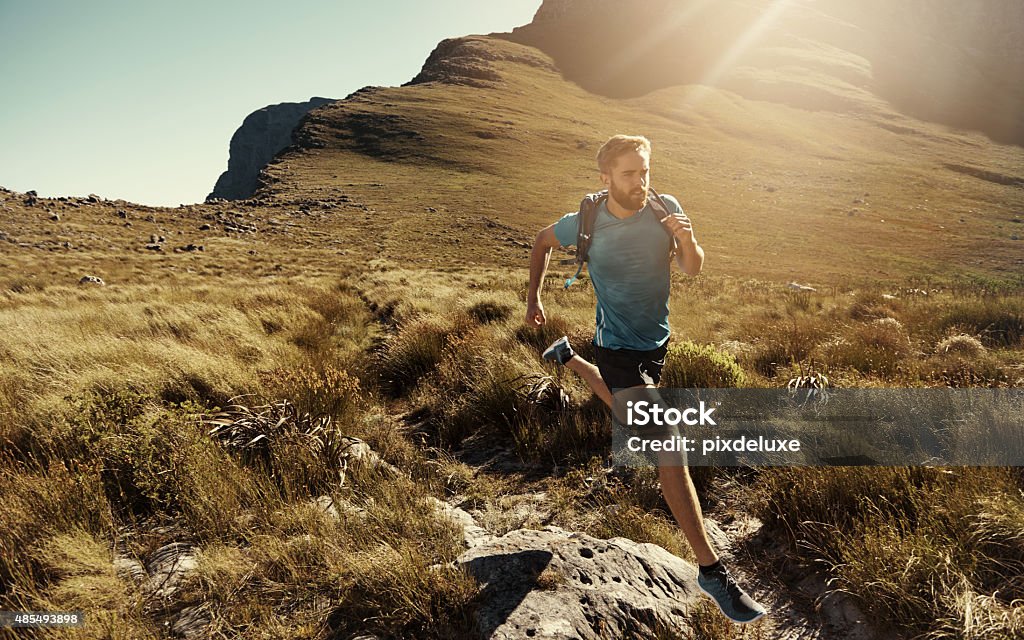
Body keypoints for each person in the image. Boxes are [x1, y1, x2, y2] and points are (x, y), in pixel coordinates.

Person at [524, 134, 766, 624]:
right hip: (615, 348)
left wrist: (686, 239)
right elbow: (541, 242)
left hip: (656, 345)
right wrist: (534, 299)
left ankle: (567, 358)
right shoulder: (587, 222)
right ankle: (712, 572)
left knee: (624, 415)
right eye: (630, 173)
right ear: (606, 177)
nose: (640, 182)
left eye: (645, 171)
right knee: (667, 444)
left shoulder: (665, 207)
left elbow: (692, 268)